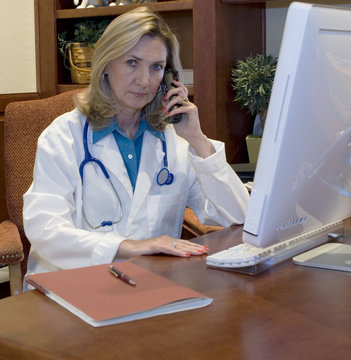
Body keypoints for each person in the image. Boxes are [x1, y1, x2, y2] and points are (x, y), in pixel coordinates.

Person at [23, 7, 249, 282]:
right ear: (106, 64)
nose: (145, 81)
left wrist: (198, 141)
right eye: (132, 62)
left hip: (149, 283)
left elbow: (240, 216)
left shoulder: (175, 141)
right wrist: (127, 247)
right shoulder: (63, 137)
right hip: (74, 283)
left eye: (156, 68)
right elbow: (45, 229)